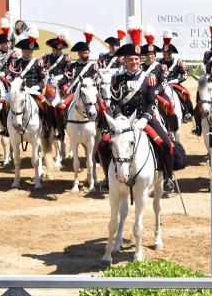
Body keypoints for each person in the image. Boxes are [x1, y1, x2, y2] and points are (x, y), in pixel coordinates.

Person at [99, 17, 175, 195]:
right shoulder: (117, 79)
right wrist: (118, 116)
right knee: (102, 145)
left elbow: (152, 101)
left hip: (144, 120)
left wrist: (144, 119)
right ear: (124, 60)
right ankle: (107, 179)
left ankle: (168, 178)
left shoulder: (149, 79)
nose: (134, 62)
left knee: (166, 144)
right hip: (123, 122)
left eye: (136, 59)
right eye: (130, 59)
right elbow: (115, 101)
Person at [1, 27, 47, 138]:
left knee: (46, 106)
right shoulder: (16, 62)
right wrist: (12, 84)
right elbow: (9, 76)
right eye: (25, 51)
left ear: (32, 51)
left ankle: (47, 127)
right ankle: (5, 128)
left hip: (33, 91)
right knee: (4, 104)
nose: (27, 53)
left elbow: (43, 80)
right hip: (18, 91)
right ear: (22, 51)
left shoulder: (38, 62)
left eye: (29, 51)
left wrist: (37, 86)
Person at [55, 28, 99, 138]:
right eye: (85, 52)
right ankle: (60, 131)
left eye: (88, 52)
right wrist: (60, 86)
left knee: (103, 107)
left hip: (89, 95)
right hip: (74, 94)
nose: (87, 54)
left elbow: (97, 81)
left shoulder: (93, 66)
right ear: (79, 54)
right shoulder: (71, 66)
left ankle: (102, 129)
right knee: (59, 107)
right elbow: (64, 79)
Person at [158, 29, 194, 124]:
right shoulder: (158, 62)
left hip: (173, 84)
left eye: (166, 52)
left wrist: (175, 81)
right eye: (163, 51)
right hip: (161, 84)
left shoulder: (177, 62)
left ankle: (187, 113)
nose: (163, 53)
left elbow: (185, 75)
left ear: (170, 52)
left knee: (186, 93)